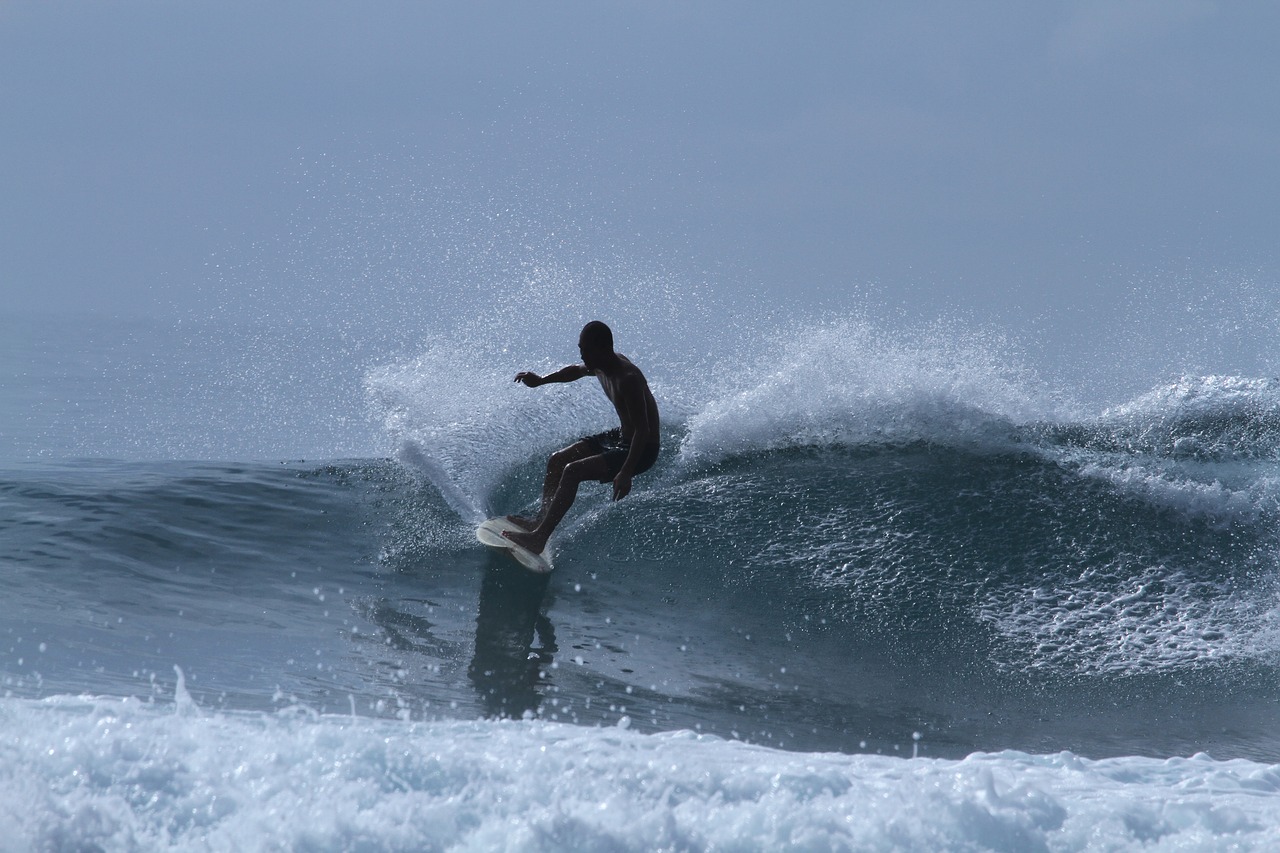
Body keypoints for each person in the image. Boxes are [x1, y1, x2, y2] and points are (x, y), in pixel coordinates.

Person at [504, 321, 660, 555]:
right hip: (621, 436)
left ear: (604, 349)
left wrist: (626, 472)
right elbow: (575, 371)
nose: (582, 355)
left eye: (586, 350)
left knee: (572, 471)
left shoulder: (629, 378)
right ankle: (539, 520)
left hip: (642, 447)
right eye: (581, 349)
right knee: (557, 460)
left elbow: (643, 430)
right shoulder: (599, 364)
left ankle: (539, 538)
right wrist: (541, 380)